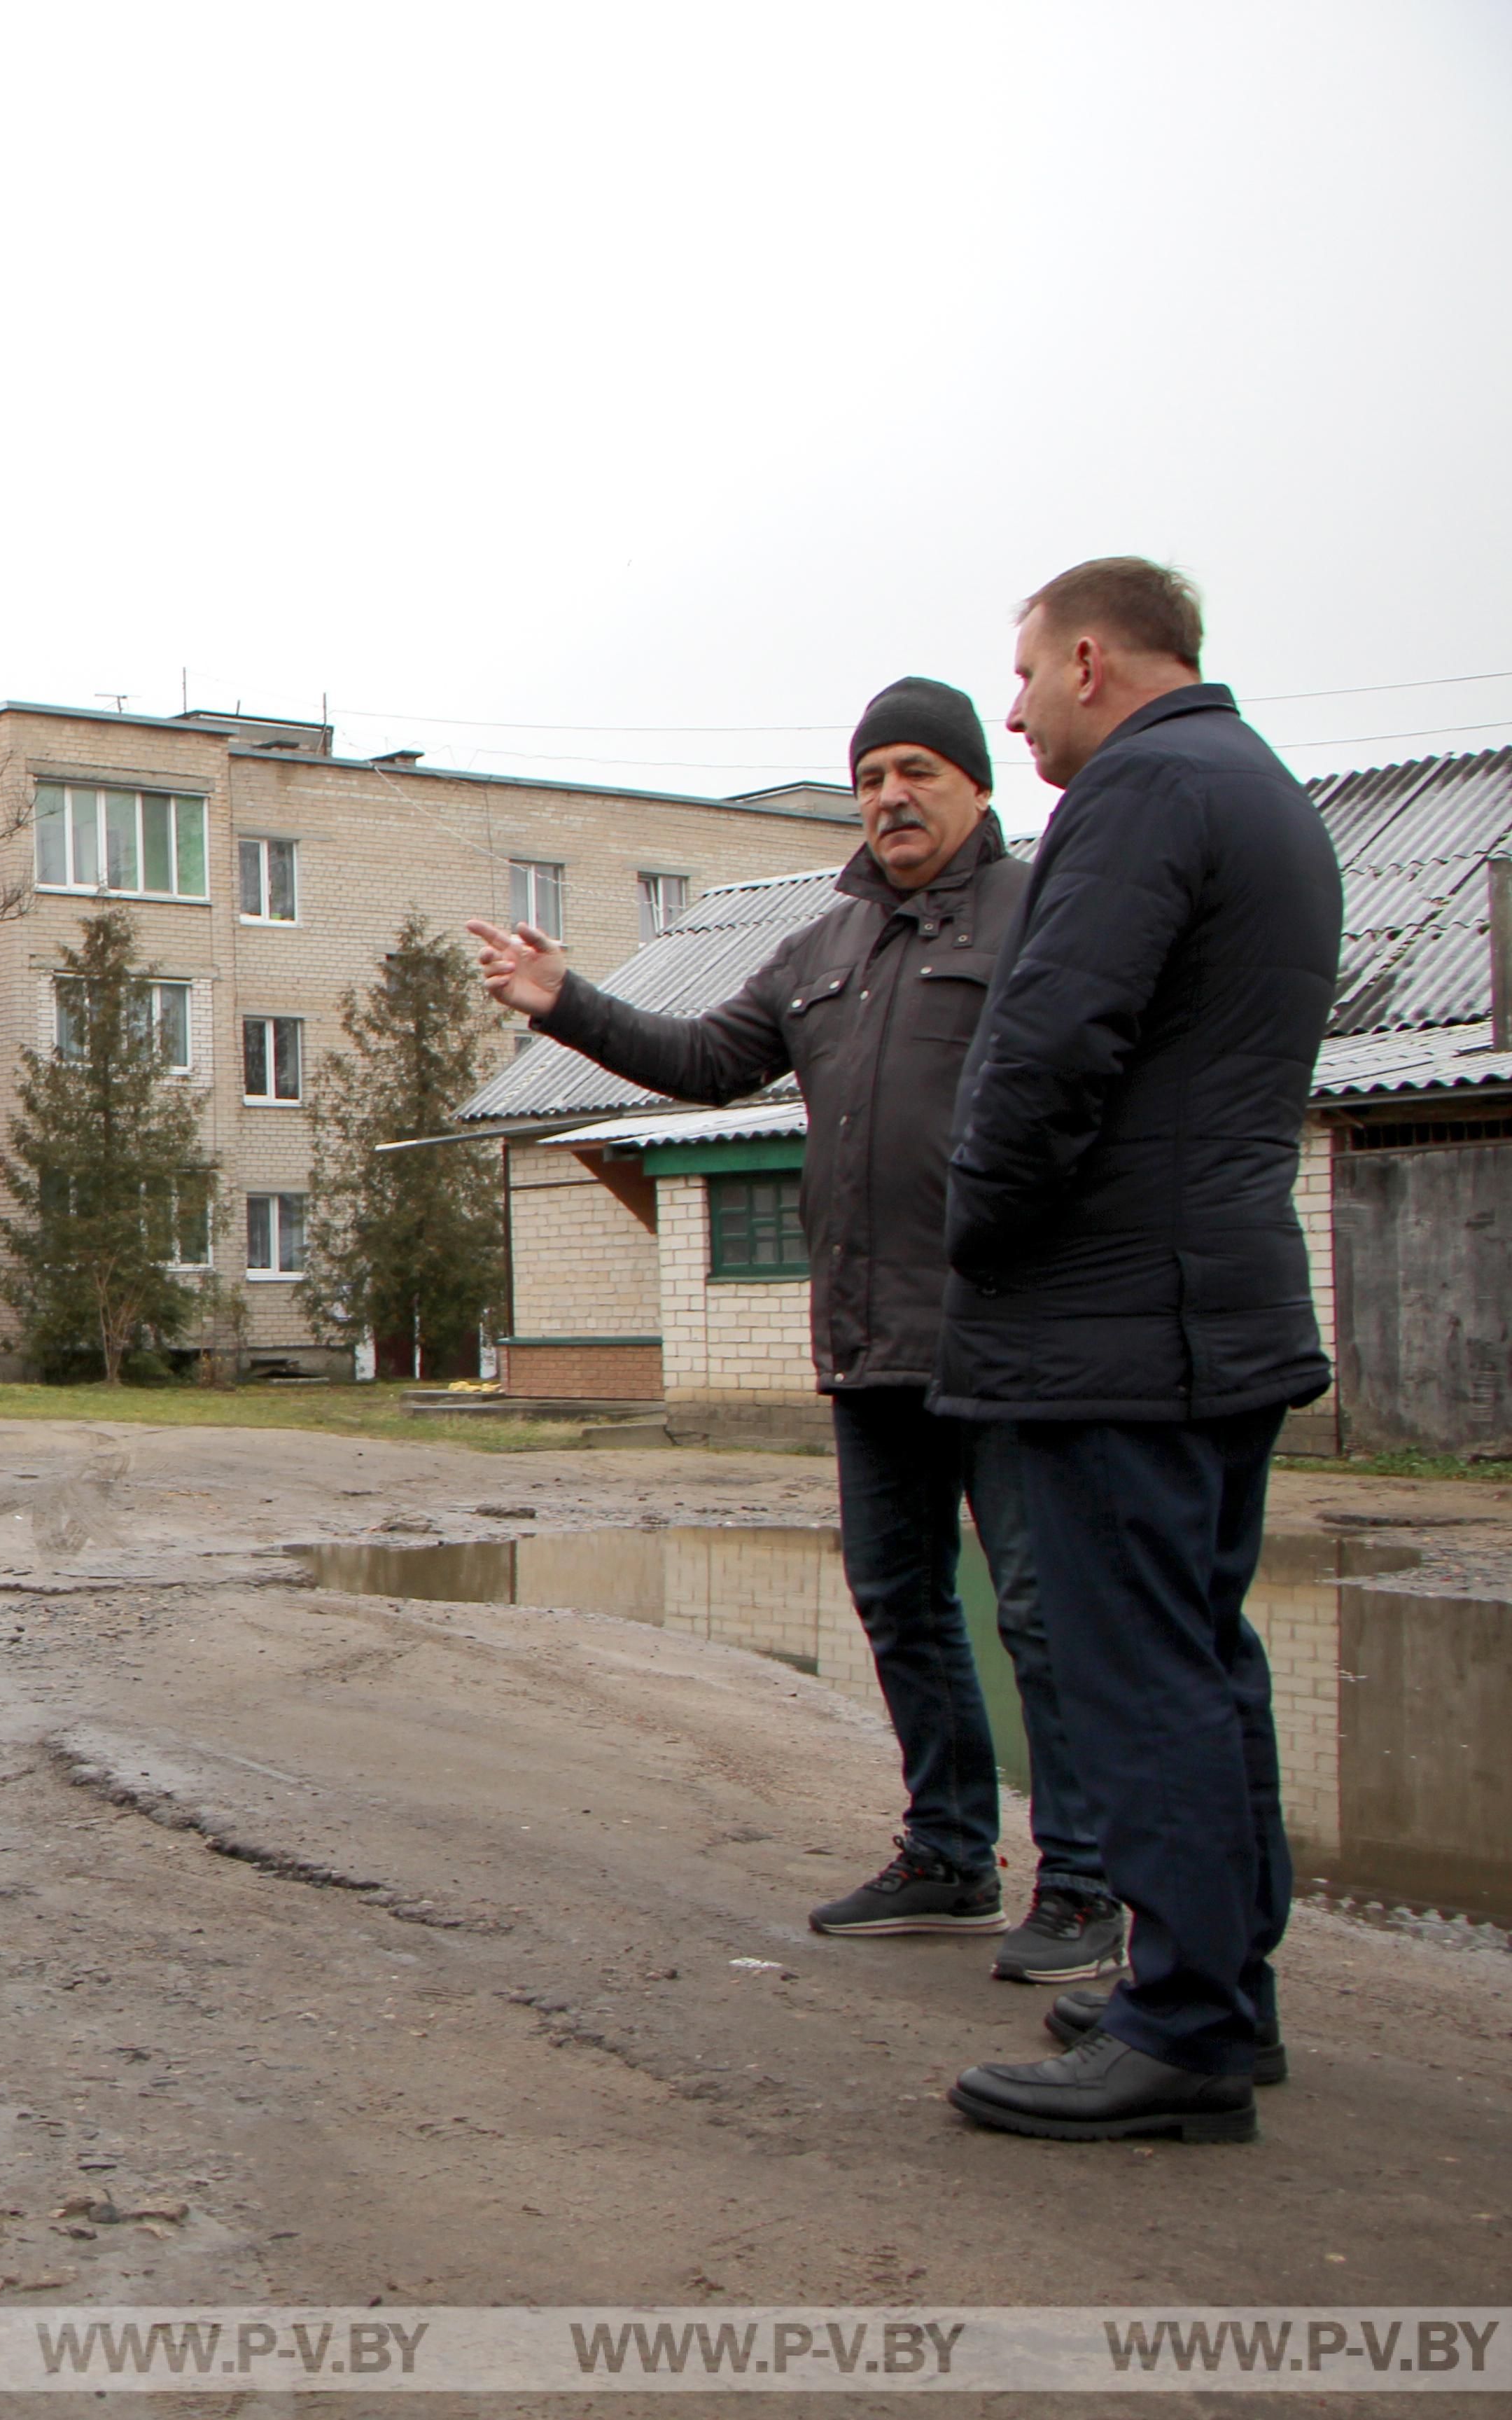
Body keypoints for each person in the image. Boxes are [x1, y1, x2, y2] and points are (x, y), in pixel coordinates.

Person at [467, 679, 1121, 1984]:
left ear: (979, 787)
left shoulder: (1039, 909)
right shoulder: (824, 947)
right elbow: (710, 1059)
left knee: (1040, 1611)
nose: (891, 796)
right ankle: (948, 1855)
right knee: (901, 1600)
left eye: (921, 770)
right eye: (873, 773)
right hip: (870, 1336)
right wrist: (565, 1000)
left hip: (1005, 1330)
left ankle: (1091, 1884)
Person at [929, 560, 1339, 2145]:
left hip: (1116, 1320)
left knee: (1138, 1671)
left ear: (1091, 658)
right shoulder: (1263, 793)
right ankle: (1224, 1986)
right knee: (1206, 1656)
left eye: (1023, 677)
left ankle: (1181, 2032)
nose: (1017, 706)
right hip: (1216, 1303)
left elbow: (1049, 1042)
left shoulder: (1143, 789)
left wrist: (981, 1226)